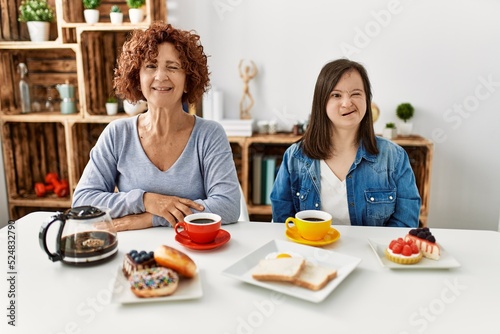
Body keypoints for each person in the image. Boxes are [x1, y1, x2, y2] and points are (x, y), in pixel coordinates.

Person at [72, 22, 240, 231]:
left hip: (194, 250)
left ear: (188, 80)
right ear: (137, 77)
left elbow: (228, 206)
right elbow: (82, 201)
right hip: (133, 252)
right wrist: (145, 201)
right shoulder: (117, 134)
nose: (161, 76)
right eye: (151, 66)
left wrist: (150, 218)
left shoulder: (209, 135)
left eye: (172, 67)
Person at [270, 59, 420, 227]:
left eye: (356, 94)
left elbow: (405, 224)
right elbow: (282, 223)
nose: (347, 103)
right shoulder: (295, 157)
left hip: (371, 253)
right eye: (336, 95)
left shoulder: (394, 157)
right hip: (311, 252)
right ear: (322, 102)